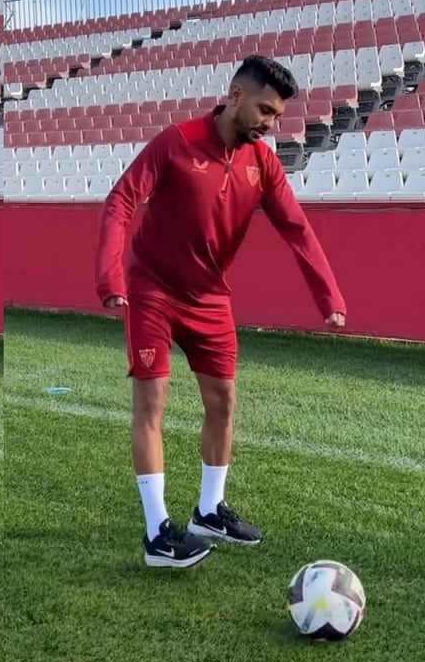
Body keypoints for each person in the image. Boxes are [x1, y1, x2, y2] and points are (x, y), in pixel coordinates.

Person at [95, 55, 347, 569]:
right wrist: (111, 275)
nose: (270, 124)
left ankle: (208, 511)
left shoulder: (264, 163)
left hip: (211, 297)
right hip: (154, 290)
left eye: (276, 116)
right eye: (264, 110)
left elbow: (296, 227)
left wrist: (330, 296)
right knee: (152, 404)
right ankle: (156, 534)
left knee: (224, 402)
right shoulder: (176, 142)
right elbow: (121, 200)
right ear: (235, 95)